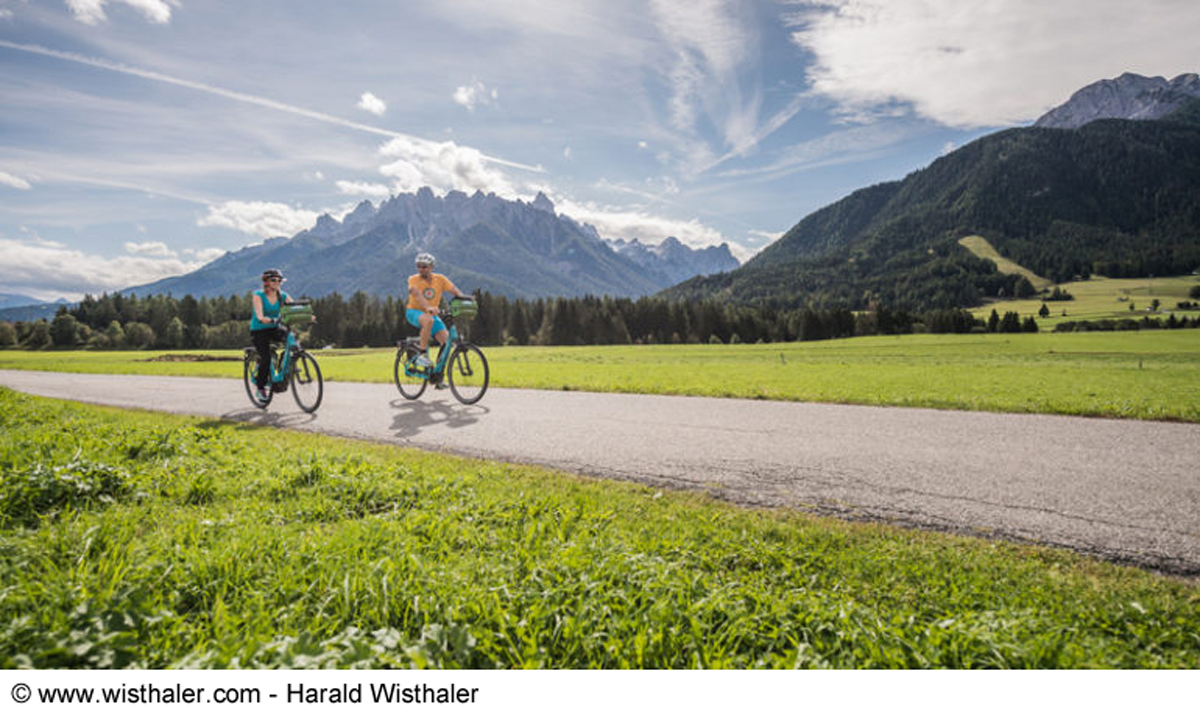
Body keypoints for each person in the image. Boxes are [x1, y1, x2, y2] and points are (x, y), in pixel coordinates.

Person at [405, 252, 471, 383]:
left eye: (424, 266)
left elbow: (454, 290)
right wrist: (428, 306)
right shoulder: (413, 279)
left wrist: (464, 298)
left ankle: (437, 376)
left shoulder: (440, 279)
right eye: (418, 266)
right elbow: (417, 294)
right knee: (428, 320)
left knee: (447, 342)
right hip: (414, 312)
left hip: (432, 313)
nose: (421, 269)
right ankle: (422, 354)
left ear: (431, 267)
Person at [249, 268, 291, 403]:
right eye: (274, 280)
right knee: (266, 358)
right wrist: (262, 318)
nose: (278, 282)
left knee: (292, 341)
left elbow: (294, 307)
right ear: (266, 282)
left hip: (274, 328)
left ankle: (284, 367)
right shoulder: (258, 295)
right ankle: (260, 387)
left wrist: (307, 315)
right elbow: (259, 312)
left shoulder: (282, 296)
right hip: (259, 330)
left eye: (280, 280)